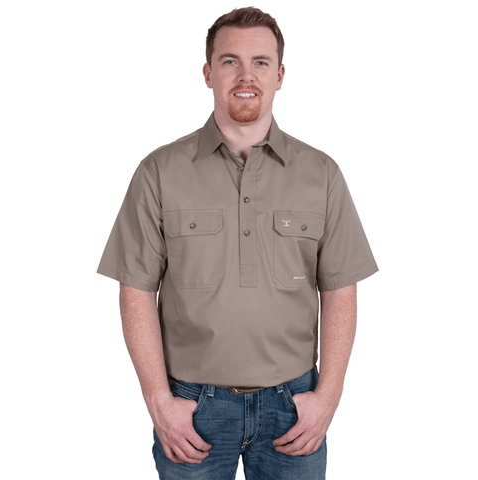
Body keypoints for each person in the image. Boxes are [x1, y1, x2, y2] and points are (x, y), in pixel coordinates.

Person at [97, 7, 378, 480]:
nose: (246, 76)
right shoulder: (159, 172)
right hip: (192, 410)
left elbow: (340, 289)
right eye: (230, 61)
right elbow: (135, 289)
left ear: (280, 75)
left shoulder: (322, 174)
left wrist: (328, 397)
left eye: (261, 62)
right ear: (208, 73)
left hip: (293, 409)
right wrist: (159, 401)